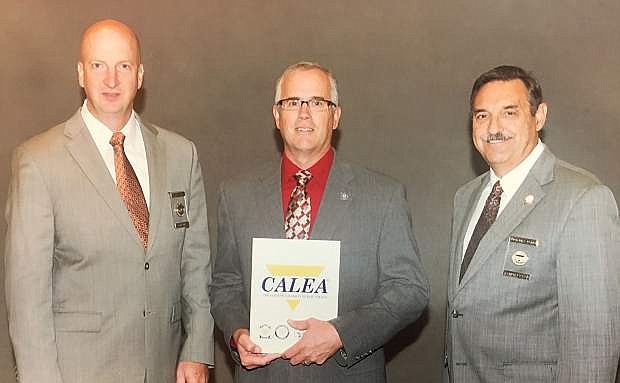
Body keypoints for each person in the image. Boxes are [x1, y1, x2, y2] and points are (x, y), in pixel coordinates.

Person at [4, 19, 213, 383]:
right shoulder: (38, 161)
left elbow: (195, 265)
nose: (111, 80)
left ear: (140, 75)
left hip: (165, 371)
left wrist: (197, 349)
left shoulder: (182, 155)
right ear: (81, 74)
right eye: (98, 65)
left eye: (124, 66)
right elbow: (26, 299)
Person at [209, 61, 429, 382]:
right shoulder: (236, 196)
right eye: (293, 103)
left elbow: (410, 291)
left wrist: (342, 335)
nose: (304, 114)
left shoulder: (383, 196)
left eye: (317, 103)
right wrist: (238, 332)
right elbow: (225, 284)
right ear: (276, 115)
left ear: (335, 116)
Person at [444, 65, 619, 382]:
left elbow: (594, 347)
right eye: (482, 115)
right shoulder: (465, 197)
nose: (493, 127)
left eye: (509, 113)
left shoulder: (583, 199)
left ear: (539, 117)